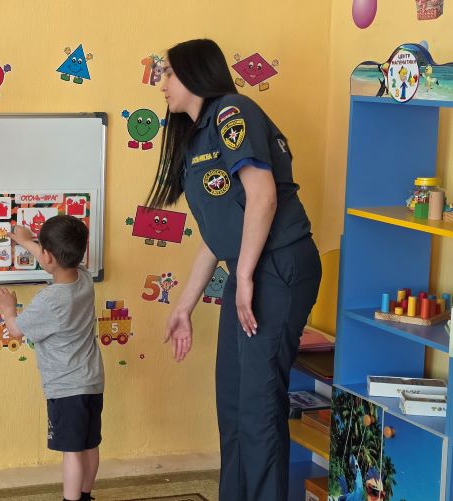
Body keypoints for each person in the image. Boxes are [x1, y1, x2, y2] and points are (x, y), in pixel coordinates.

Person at [152, 39, 322, 501]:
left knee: (258, 407)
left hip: (278, 264)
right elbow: (219, 231)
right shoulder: (196, 137)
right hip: (250, 268)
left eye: (168, 72)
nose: (162, 82)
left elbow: (263, 196)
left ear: (194, 73)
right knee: (232, 402)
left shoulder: (232, 112)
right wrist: (184, 307)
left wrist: (243, 277)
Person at [0, 216, 104, 501]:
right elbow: (53, 260)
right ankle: (85, 495)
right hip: (91, 382)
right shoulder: (84, 278)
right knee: (89, 445)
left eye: (40, 249)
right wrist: (27, 241)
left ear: (48, 256)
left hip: (66, 388)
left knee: (71, 452)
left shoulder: (50, 300)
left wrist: (8, 309)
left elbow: (16, 330)